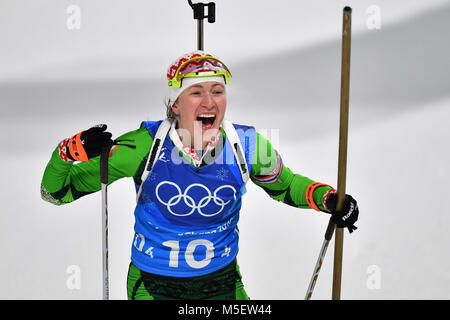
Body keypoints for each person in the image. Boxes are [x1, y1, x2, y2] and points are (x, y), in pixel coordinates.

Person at [40, 50, 359, 300]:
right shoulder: (144, 146)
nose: (209, 102)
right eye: (196, 92)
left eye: (217, 91)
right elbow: (54, 193)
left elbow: (286, 186)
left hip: (220, 284)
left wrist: (328, 199)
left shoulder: (246, 145)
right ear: (175, 104)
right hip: (154, 285)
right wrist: (67, 153)